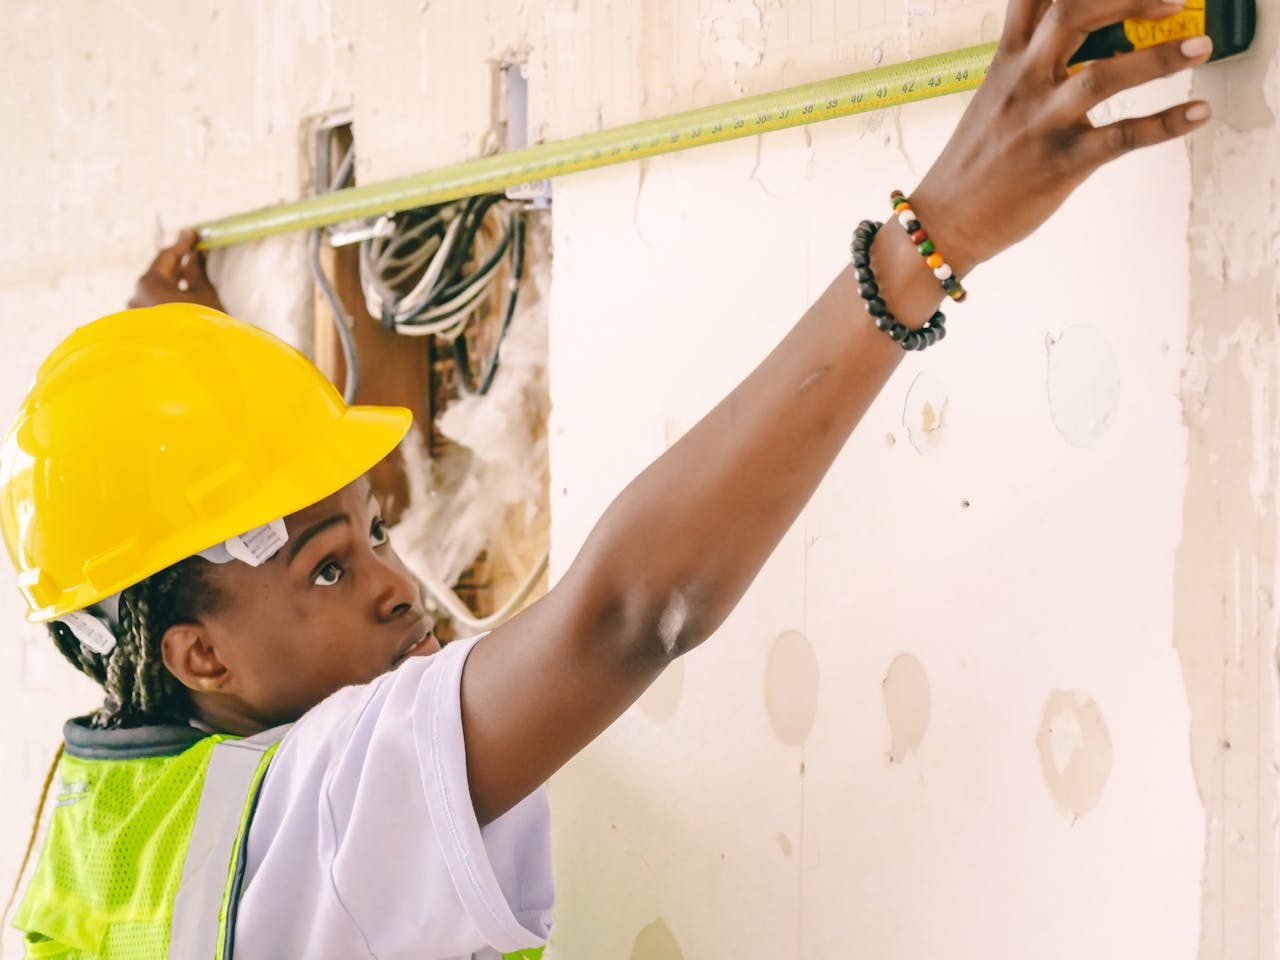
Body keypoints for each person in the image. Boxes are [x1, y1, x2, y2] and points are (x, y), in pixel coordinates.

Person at [3, 0, 1215, 956]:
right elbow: (634, 612)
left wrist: (172, 393)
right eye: (330, 565)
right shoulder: (315, 817)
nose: (400, 588)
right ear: (197, 656)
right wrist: (928, 240)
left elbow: (228, 570)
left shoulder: (98, 825)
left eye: (371, 532)